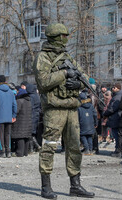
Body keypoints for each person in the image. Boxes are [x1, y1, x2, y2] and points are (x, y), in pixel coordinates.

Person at [33, 23, 94, 199]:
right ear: (56, 37)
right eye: (64, 36)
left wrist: (78, 84)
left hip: (72, 108)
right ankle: (46, 187)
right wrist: (64, 74)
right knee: (50, 147)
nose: (66, 39)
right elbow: (43, 82)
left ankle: (75, 185)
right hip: (54, 108)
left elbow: (82, 76)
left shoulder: (67, 56)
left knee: (74, 147)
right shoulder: (42, 57)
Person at [0, 75, 17, 158]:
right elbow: (14, 105)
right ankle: (8, 151)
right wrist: (14, 115)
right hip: (9, 116)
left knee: (1, 134)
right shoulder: (11, 92)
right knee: (8, 134)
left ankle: (2, 151)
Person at [11, 88, 32, 157]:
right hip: (28, 121)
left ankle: (19, 152)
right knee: (26, 137)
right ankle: (25, 152)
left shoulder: (19, 101)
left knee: (20, 137)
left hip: (20, 122)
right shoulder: (29, 101)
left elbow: (16, 111)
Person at [103, 83, 122, 154]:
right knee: (117, 135)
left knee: (116, 135)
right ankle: (118, 149)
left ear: (118, 88)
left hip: (116, 117)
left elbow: (113, 108)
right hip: (116, 117)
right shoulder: (118, 95)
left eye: (114, 87)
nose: (112, 89)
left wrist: (106, 113)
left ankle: (118, 150)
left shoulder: (117, 97)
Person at [26, 83, 42, 153]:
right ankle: (34, 147)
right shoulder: (37, 96)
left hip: (32, 116)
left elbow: (30, 107)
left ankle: (34, 147)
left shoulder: (31, 97)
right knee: (33, 132)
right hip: (36, 115)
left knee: (30, 132)